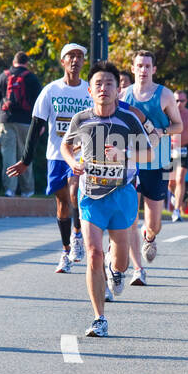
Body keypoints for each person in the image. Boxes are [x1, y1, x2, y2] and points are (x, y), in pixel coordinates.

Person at [62, 62, 152, 337]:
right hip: (90, 194)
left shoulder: (129, 120)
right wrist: (72, 163)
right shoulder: (81, 119)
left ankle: (117, 271)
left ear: (118, 90)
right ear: (90, 90)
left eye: (109, 83)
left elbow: (149, 154)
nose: (104, 88)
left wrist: (124, 155)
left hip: (122, 194)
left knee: (120, 256)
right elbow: (66, 145)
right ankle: (99, 318)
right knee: (93, 253)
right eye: (98, 84)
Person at [8, 44, 93, 272]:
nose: (75, 60)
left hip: (81, 154)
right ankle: (65, 250)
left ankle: (77, 236)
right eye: (71, 56)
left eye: (79, 57)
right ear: (63, 61)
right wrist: (26, 160)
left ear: (84, 62)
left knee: (75, 193)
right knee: (63, 203)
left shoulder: (90, 90)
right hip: (56, 155)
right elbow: (36, 126)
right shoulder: (51, 90)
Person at [120, 50, 184, 282]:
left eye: (148, 66)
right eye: (140, 65)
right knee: (129, 216)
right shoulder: (124, 95)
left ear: (154, 70)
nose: (143, 70)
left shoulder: (164, 95)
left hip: (160, 162)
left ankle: (149, 237)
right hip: (132, 162)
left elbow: (179, 126)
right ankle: (137, 268)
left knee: (154, 222)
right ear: (133, 68)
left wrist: (161, 130)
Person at [0, 51, 42, 197]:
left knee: (8, 156)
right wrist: (41, 125)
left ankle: (9, 190)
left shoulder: (4, 76)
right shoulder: (31, 78)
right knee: (25, 156)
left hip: (6, 121)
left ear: (14, 62)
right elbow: (41, 102)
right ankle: (28, 190)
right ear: (26, 63)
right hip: (27, 123)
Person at [169, 89, 188, 222]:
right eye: (176, 100)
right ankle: (175, 196)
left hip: (184, 150)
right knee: (171, 182)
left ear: (186, 101)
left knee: (180, 178)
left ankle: (176, 211)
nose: (179, 103)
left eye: (182, 100)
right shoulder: (167, 114)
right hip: (169, 150)